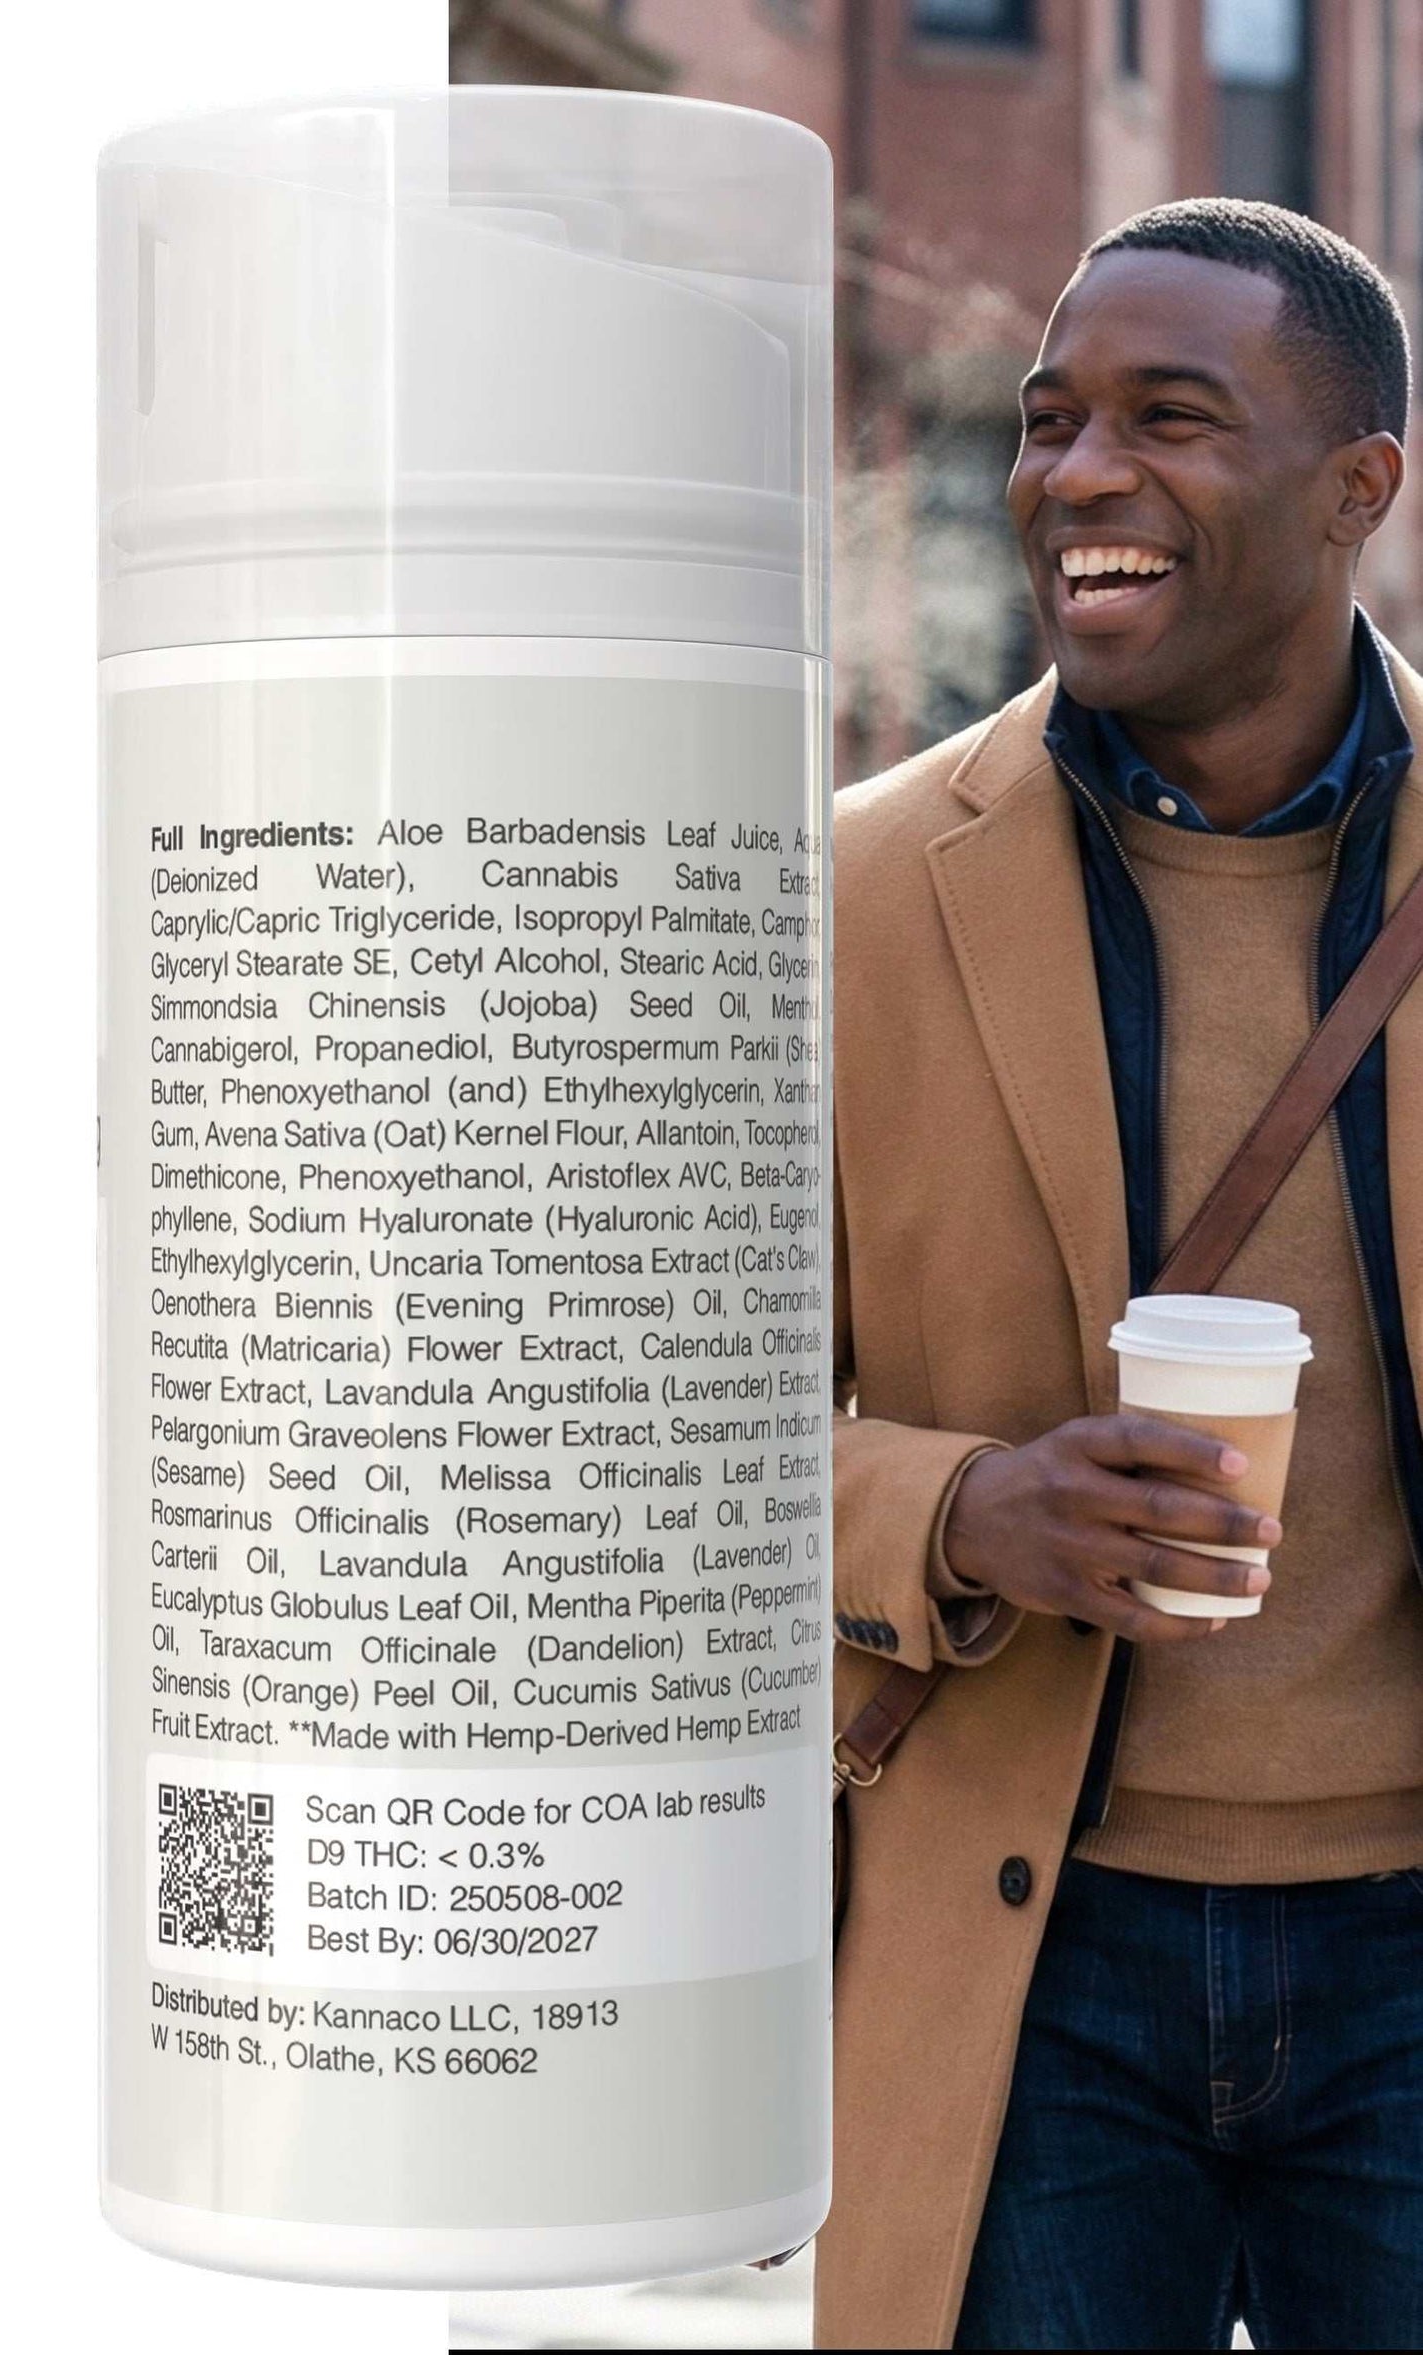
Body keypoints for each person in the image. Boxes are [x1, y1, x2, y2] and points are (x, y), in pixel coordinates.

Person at [817, 198, 1423, 2351]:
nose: (1076, 472)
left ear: (1359, 485)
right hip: (1025, 1953)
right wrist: (955, 1508)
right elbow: (622, 1428)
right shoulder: (852, 895)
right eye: (1052, 419)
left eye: (1170, 417)